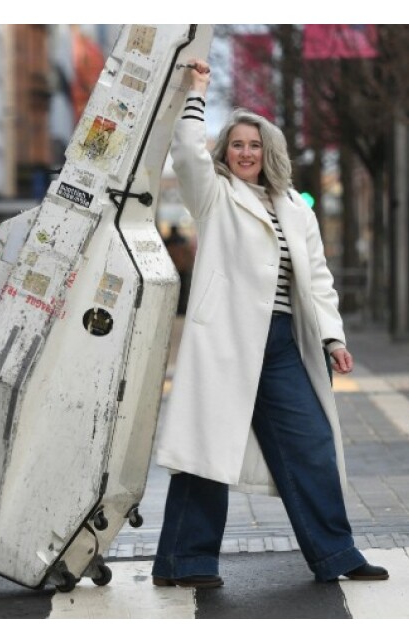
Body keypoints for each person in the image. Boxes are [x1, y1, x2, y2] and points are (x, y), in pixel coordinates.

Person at [151, 60, 388, 589]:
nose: (245, 153)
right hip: (226, 342)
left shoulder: (295, 209)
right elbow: (187, 153)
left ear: (269, 152)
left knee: (312, 444)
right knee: (206, 452)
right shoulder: (213, 196)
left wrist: (333, 337)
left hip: (282, 344)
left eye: (254, 145)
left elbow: (319, 278)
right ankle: (185, 562)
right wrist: (197, 93)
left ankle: (336, 554)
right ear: (225, 152)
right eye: (236, 144)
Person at [163, 224, 194, 315]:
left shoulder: (167, 241)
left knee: (171, 289)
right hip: (183, 268)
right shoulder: (182, 240)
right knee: (183, 289)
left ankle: (172, 308)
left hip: (173, 268)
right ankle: (182, 308)